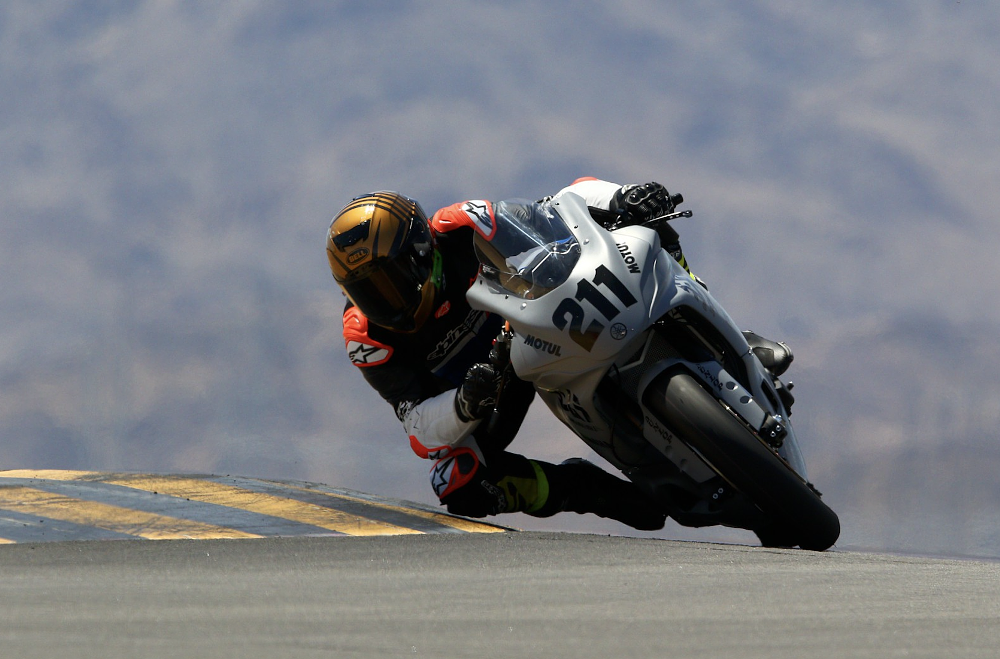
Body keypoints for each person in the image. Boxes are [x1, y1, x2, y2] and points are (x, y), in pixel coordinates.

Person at [325, 177, 792, 531]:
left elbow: (558, 210)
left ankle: (725, 333)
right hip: (488, 390)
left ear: (423, 249)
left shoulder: (463, 224)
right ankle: (585, 491)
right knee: (456, 479)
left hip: (539, 322)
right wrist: (465, 401)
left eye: (392, 280)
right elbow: (419, 428)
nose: (388, 302)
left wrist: (622, 197)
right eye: (367, 292)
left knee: (643, 223)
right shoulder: (365, 338)